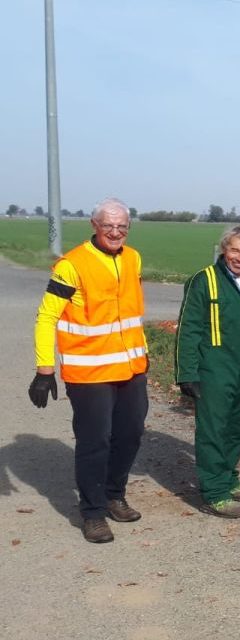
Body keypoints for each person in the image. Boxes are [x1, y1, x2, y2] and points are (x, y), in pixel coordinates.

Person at [29, 197, 149, 542]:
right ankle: (93, 512)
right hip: (90, 372)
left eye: (121, 226)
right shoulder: (72, 265)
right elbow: (47, 316)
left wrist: (142, 353)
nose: (115, 232)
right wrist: (44, 369)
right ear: (94, 226)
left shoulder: (133, 258)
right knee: (95, 441)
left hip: (130, 367)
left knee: (130, 435)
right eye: (108, 225)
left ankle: (114, 494)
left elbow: (131, 311)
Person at [176, 225, 240, 518]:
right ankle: (214, 492)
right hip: (214, 369)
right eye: (235, 250)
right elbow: (189, 330)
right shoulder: (204, 281)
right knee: (214, 430)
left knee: (236, 429)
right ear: (224, 249)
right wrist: (187, 373)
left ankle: (228, 477)